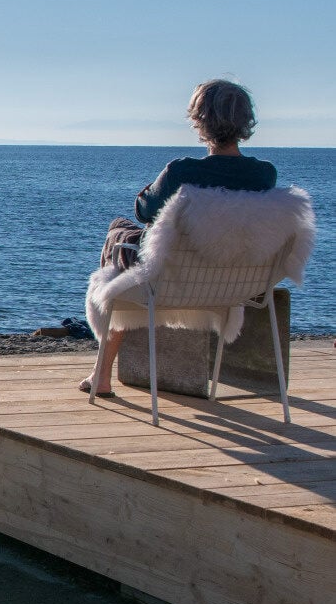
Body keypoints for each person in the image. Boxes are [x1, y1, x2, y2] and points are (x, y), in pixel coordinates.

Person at [80, 79, 277, 397]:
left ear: (200, 122)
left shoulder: (180, 172)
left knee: (118, 235)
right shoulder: (265, 175)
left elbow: (143, 211)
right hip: (233, 284)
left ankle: (101, 375)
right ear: (245, 121)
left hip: (171, 282)